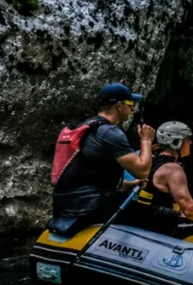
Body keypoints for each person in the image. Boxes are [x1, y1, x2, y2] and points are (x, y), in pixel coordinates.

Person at [48, 83, 155, 236]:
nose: (133, 110)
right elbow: (142, 171)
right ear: (119, 105)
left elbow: (91, 176)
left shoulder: (83, 127)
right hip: (90, 208)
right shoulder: (109, 132)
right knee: (165, 217)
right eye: (130, 104)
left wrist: (129, 185)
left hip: (63, 206)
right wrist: (146, 140)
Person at [120, 121, 193, 238]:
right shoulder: (173, 169)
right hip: (158, 225)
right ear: (176, 142)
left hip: (142, 218)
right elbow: (189, 208)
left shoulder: (149, 159)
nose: (191, 142)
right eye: (187, 139)